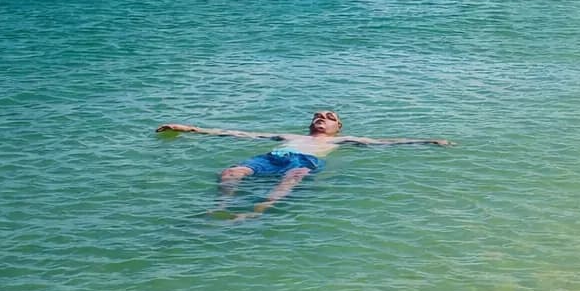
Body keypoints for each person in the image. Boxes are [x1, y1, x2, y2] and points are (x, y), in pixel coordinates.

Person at [156, 110, 451, 217]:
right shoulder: (288, 135)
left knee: (296, 173)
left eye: (329, 117)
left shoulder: (340, 141)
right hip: (272, 158)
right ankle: (221, 206)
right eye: (317, 116)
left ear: (338, 127)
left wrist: (428, 141)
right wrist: (190, 129)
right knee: (231, 171)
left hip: (305, 161)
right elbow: (238, 133)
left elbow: (386, 142)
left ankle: (261, 208)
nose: (322, 118)